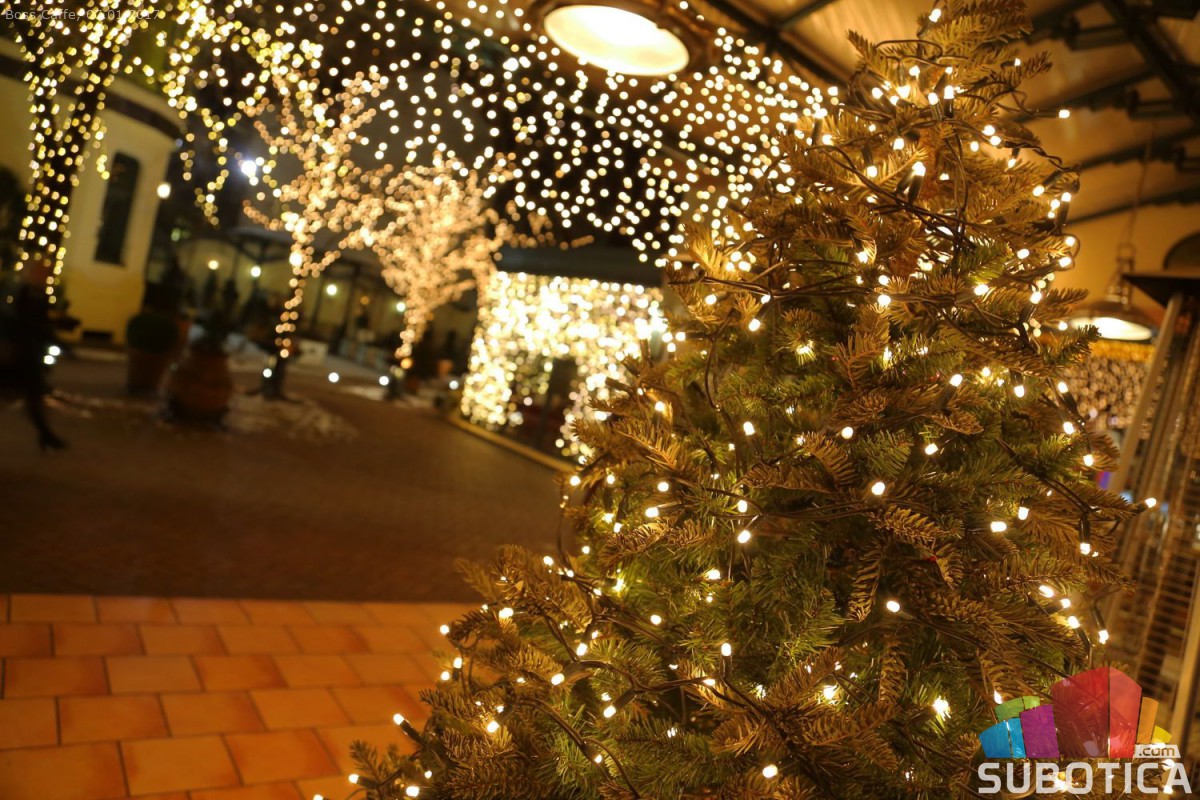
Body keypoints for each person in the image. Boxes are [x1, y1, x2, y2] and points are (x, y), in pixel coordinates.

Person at [1, 255, 67, 451]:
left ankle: (46, 435)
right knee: (30, 395)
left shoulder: (38, 294)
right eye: (42, 272)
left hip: (27, 353)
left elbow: (41, 325)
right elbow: (15, 321)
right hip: (17, 352)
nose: (45, 276)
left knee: (33, 395)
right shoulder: (20, 292)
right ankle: (46, 435)